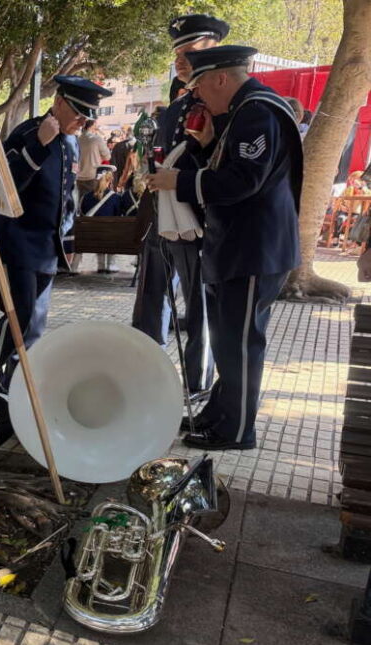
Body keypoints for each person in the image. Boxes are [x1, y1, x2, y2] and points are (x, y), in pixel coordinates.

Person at [148, 45, 303, 450]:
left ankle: (237, 430)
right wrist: (203, 146)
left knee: (241, 344)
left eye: (199, 85)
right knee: (227, 340)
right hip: (237, 246)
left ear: (220, 78)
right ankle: (219, 413)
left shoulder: (256, 112)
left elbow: (244, 180)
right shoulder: (239, 113)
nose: (197, 95)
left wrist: (179, 181)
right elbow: (226, 168)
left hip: (254, 248)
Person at [0, 76, 113, 388]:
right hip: (16, 241)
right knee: (19, 315)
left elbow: (67, 198)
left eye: (88, 118)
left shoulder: (72, 143)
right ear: (59, 103)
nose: (82, 122)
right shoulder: (28, 133)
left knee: (35, 324)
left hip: (47, 247)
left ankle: (16, 383)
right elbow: (4, 186)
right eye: (78, 114)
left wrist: (68, 242)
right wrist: (38, 145)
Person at [131, 13, 228, 404]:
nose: (180, 60)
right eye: (177, 53)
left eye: (189, 51)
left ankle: (197, 381)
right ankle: (146, 367)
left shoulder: (219, 103)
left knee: (198, 303)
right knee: (152, 297)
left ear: (213, 49)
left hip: (196, 218)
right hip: (163, 213)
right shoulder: (178, 104)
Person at [78, 164, 131, 273]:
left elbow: (82, 212)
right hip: (109, 238)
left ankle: (101, 264)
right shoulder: (116, 198)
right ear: (110, 180)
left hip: (88, 237)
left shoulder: (85, 197)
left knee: (100, 230)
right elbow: (118, 216)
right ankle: (111, 264)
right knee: (114, 229)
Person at [76, 119, 111, 200]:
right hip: (92, 176)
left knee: (81, 202)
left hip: (79, 178)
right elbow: (107, 157)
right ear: (93, 125)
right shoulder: (96, 139)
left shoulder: (77, 139)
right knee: (92, 202)